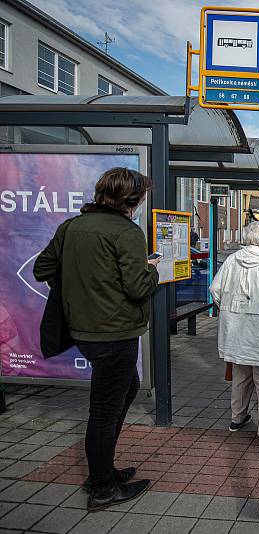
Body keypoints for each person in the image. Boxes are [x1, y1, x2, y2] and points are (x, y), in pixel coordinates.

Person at [33, 168, 159, 511]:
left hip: (83, 331)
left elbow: (42, 269)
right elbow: (137, 286)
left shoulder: (71, 227)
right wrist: (152, 269)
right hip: (114, 332)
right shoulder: (126, 232)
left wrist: (83, 275)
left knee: (127, 388)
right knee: (104, 412)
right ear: (131, 201)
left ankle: (105, 470)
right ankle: (102, 488)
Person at [210, 222, 259, 448]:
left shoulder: (232, 260)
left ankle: (237, 418)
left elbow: (215, 289)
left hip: (235, 330)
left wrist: (227, 310)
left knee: (240, 375)